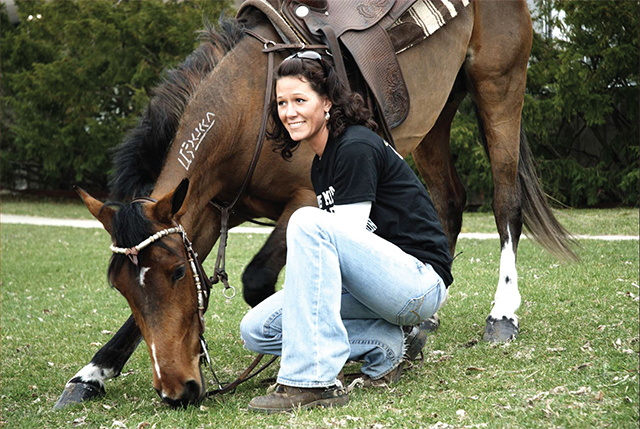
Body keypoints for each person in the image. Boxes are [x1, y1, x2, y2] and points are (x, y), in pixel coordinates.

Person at [240, 51, 453, 413]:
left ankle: (311, 382)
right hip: (376, 286)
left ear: (326, 103)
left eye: (299, 100)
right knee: (257, 328)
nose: (289, 111)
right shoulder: (323, 163)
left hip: (417, 284)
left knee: (307, 221)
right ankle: (387, 343)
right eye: (281, 102)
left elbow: (343, 244)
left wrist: (305, 303)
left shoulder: (354, 147)